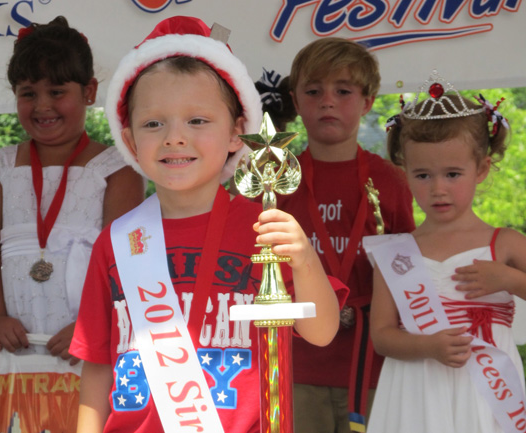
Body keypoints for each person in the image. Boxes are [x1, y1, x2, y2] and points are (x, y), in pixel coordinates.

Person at [69, 16, 349, 433]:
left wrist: (306, 261)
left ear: (238, 133)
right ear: (129, 140)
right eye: (153, 123)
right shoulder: (118, 241)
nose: (174, 137)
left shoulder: (266, 229)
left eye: (197, 121)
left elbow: (322, 332)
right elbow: (96, 364)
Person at [0, 16, 144, 363]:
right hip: (12, 344)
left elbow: (125, 260)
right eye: (28, 93)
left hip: (87, 343)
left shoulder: (118, 169)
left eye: (57, 91)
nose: (42, 105)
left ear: (90, 91)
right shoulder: (2, 168)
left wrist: (93, 324)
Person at [366, 71, 526, 433]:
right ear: (404, 173)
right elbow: (382, 335)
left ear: (482, 169)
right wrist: (427, 347)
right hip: (418, 387)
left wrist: (510, 279)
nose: (438, 188)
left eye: (452, 174)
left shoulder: (506, 243)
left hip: (486, 391)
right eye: (423, 175)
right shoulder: (395, 252)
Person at [280, 37, 416, 432]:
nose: (327, 101)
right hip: (296, 361)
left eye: (343, 90)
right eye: (313, 91)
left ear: (368, 101)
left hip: (372, 361)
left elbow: (407, 270)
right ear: (295, 99)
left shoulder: (392, 181)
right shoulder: (274, 179)